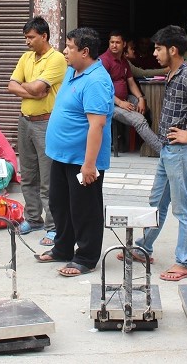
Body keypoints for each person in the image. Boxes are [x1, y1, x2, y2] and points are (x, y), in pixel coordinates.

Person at [133, 25, 187, 282]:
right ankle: (143, 247)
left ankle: (184, 262)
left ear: (172, 50)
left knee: (183, 210)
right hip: (168, 152)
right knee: (157, 202)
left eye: (158, 49)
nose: (155, 53)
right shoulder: (171, 74)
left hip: (180, 153)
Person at [34, 27, 113, 277]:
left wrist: (89, 165)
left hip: (83, 160)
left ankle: (87, 257)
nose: (64, 51)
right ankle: (63, 248)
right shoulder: (73, 71)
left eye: (69, 47)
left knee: (85, 209)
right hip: (61, 156)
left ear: (85, 51)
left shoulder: (97, 81)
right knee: (60, 204)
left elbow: (97, 125)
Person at [7, 16, 66, 246]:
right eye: (26, 37)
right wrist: (31, 91)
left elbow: (37, 86)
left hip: (46, 123)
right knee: (28, 175)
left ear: (44, 36)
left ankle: (53, 227)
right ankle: (33, 219)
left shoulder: (57, 59)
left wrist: (27, 88)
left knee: (48, 179)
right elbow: (11, 85)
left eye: (31, 37)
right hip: (25, 121)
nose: (27, 42)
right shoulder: (26, 57)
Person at [99, 30, 162, 153]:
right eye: (112, 42)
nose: (114, 45)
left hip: (125, 98)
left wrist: (140, 98)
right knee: (139, 120)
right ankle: (162, 150)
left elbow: (131, 82)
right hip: (109, 103)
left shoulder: (123, 61)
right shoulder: (104, 61)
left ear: (124, 44)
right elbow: (101, 89)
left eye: (117, 42)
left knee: (146, 108)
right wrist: (120, 103)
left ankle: (140, 144)